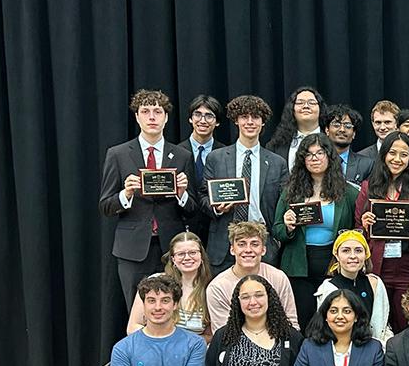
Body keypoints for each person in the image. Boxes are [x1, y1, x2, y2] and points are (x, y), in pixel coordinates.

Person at [99, 89, 198, 305]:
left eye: (158, 111)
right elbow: (105, 206)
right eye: (145, 111)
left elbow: (192, 209)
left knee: (174, 308)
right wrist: (125, 194)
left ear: (166, 117)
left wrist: (182, 194)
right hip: (132, 249)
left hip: (171, 248)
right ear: (137, 117)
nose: (152, 117)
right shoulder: (118, 154)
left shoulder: (182, 156)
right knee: (137, 310)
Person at [272, 132, 359, 328]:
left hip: (334, 265)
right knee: (303, 321)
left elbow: (356, 230)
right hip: (298, 266)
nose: (314, 158)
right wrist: (288, 227)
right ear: (302, 160)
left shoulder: (348, 193)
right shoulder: (291, 192)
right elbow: (277, 230)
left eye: (320, 153)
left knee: (333, 321)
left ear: (329, 156)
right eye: (309, 154)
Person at [203, 95, 287, 269]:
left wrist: (276, 240)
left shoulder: (277, 163)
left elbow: (284, 203)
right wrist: (217, 208)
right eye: (244, 117)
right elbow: (203, 196)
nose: (250, 122)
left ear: (263, 122)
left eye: (255, 117)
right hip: (224, 243)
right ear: (236, 120)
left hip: (262, 244)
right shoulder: (216, 158)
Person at [356, 131, 409, 332]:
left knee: (407, 323)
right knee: (376, 324)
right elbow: (357, 230)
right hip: (377, 266)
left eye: (404, 155)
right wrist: (365, 225)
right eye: (392, 153)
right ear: (384, 155)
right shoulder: (368, 187)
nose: (397, 159)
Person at [206, 221, 299, 330]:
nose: (248, 250)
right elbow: (223, 333)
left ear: (263, 250)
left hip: (276, 337)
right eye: (241, 244)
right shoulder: (218, 287)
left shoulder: (278, 278)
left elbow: (291, 323)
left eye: (254, 244)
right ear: (232, 249)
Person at [315, 230, 392, 344]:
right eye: (346, 251)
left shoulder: (375, 283)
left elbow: (382, 325)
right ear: (337, 255)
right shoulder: (328, 288)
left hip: (373, 346)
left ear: (366, 255)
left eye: (358, 251)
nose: (352, 256)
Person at [181, 94, 226, 245]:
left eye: (209, 116)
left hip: (216, 226)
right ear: (190, 118)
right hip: (183, 227)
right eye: (197, 114)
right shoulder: (175, 153)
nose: (202, 120)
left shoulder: (226, 154)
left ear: (217, 122)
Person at [266, 86, 325, 173]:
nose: (306, 106)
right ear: (292, 109)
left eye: (311, 103)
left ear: (320, 108)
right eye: (300, 103)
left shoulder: (332, 141)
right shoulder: (276, 145)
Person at [324, 103, 374, 185]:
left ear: (354, 133)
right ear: (327, 130)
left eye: (347, 126)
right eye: (336, 125)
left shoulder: (367, 165)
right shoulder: (316, 161)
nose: (342, 130)